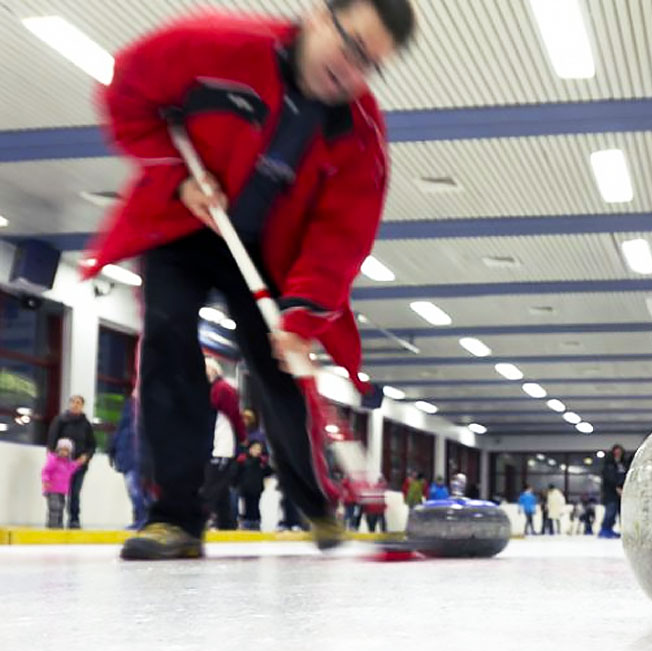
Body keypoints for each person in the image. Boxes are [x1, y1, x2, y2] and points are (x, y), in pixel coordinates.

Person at [87, 0, 417, 559]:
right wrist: (175, 177)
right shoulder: (213, 45)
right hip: (185, 220)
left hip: (270, 253)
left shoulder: (358, 135)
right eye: (351, 45)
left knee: (280, 373)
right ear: (319, 17)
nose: (353, 70)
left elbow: (340, 236)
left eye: (370, 64)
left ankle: (316, 503)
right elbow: (127, 94)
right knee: (167, 338)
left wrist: (303, 315)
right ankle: (174, 519)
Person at [202, 359, 247, 531]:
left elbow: (235, 417)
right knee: (220, 489)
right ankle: (227, 523)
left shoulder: (222, 390)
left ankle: (203, 519)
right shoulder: (210, 389)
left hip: (221, 446)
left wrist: (242, 439)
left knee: (211, 486)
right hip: (215, 446)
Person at [46, 395, 96, 530]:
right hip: (60, 466)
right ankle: (56, 521)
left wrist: (86, 457)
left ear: (82, 406)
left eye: (78, 402)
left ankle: (74, 520)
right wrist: (52, 460)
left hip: (79, 465)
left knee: (75, 493)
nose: (75, 404)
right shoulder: (60, 420)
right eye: (73, 402)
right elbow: (51, 442)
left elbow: (92, 445)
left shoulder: (86, 425)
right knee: (58, 494)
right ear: (69, 404)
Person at [108, 396, 149, 530]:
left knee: (139, 491)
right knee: (136, 490)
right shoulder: (130, 408)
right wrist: (113, 449)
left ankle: (145, 519)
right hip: (129, 457)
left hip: (141, 458)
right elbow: (120, 429)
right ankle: (141, 518)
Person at [41, 438, 83, 529]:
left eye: (66, 450)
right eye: (62, 450)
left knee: (60, 508)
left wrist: (78, 463)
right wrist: (46, 481)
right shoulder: (53, 460)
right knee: (54, 508)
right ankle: (53, 525)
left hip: (62, 490)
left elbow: (71, 469)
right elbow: (46, 471)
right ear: (58, 450)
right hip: (52, 489)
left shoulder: (67, 463)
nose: (64, 452)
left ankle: (58, 525)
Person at [233, 440, 273, 530]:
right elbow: (236, 472)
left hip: (257, 488)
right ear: (250, 449)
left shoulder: (261, 462)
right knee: (247, 505)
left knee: (255, 505)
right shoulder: (243, 460)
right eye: (255, 449)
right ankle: (247, 521)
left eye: (259, 449)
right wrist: (236, 483)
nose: (257, 451)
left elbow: (269, 472)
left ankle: (256, 521)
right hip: (245, 488)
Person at [599, 444, 629, 538]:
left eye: (620, 451)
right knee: (610, 512)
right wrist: (616, 487)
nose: (618, 453)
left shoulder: (623, 464)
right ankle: (605, 530)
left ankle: (622, 531)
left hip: (622, 493)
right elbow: (609, 478)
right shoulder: (609, 465)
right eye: (616, 451)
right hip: (611, 493)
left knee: (622, 513)